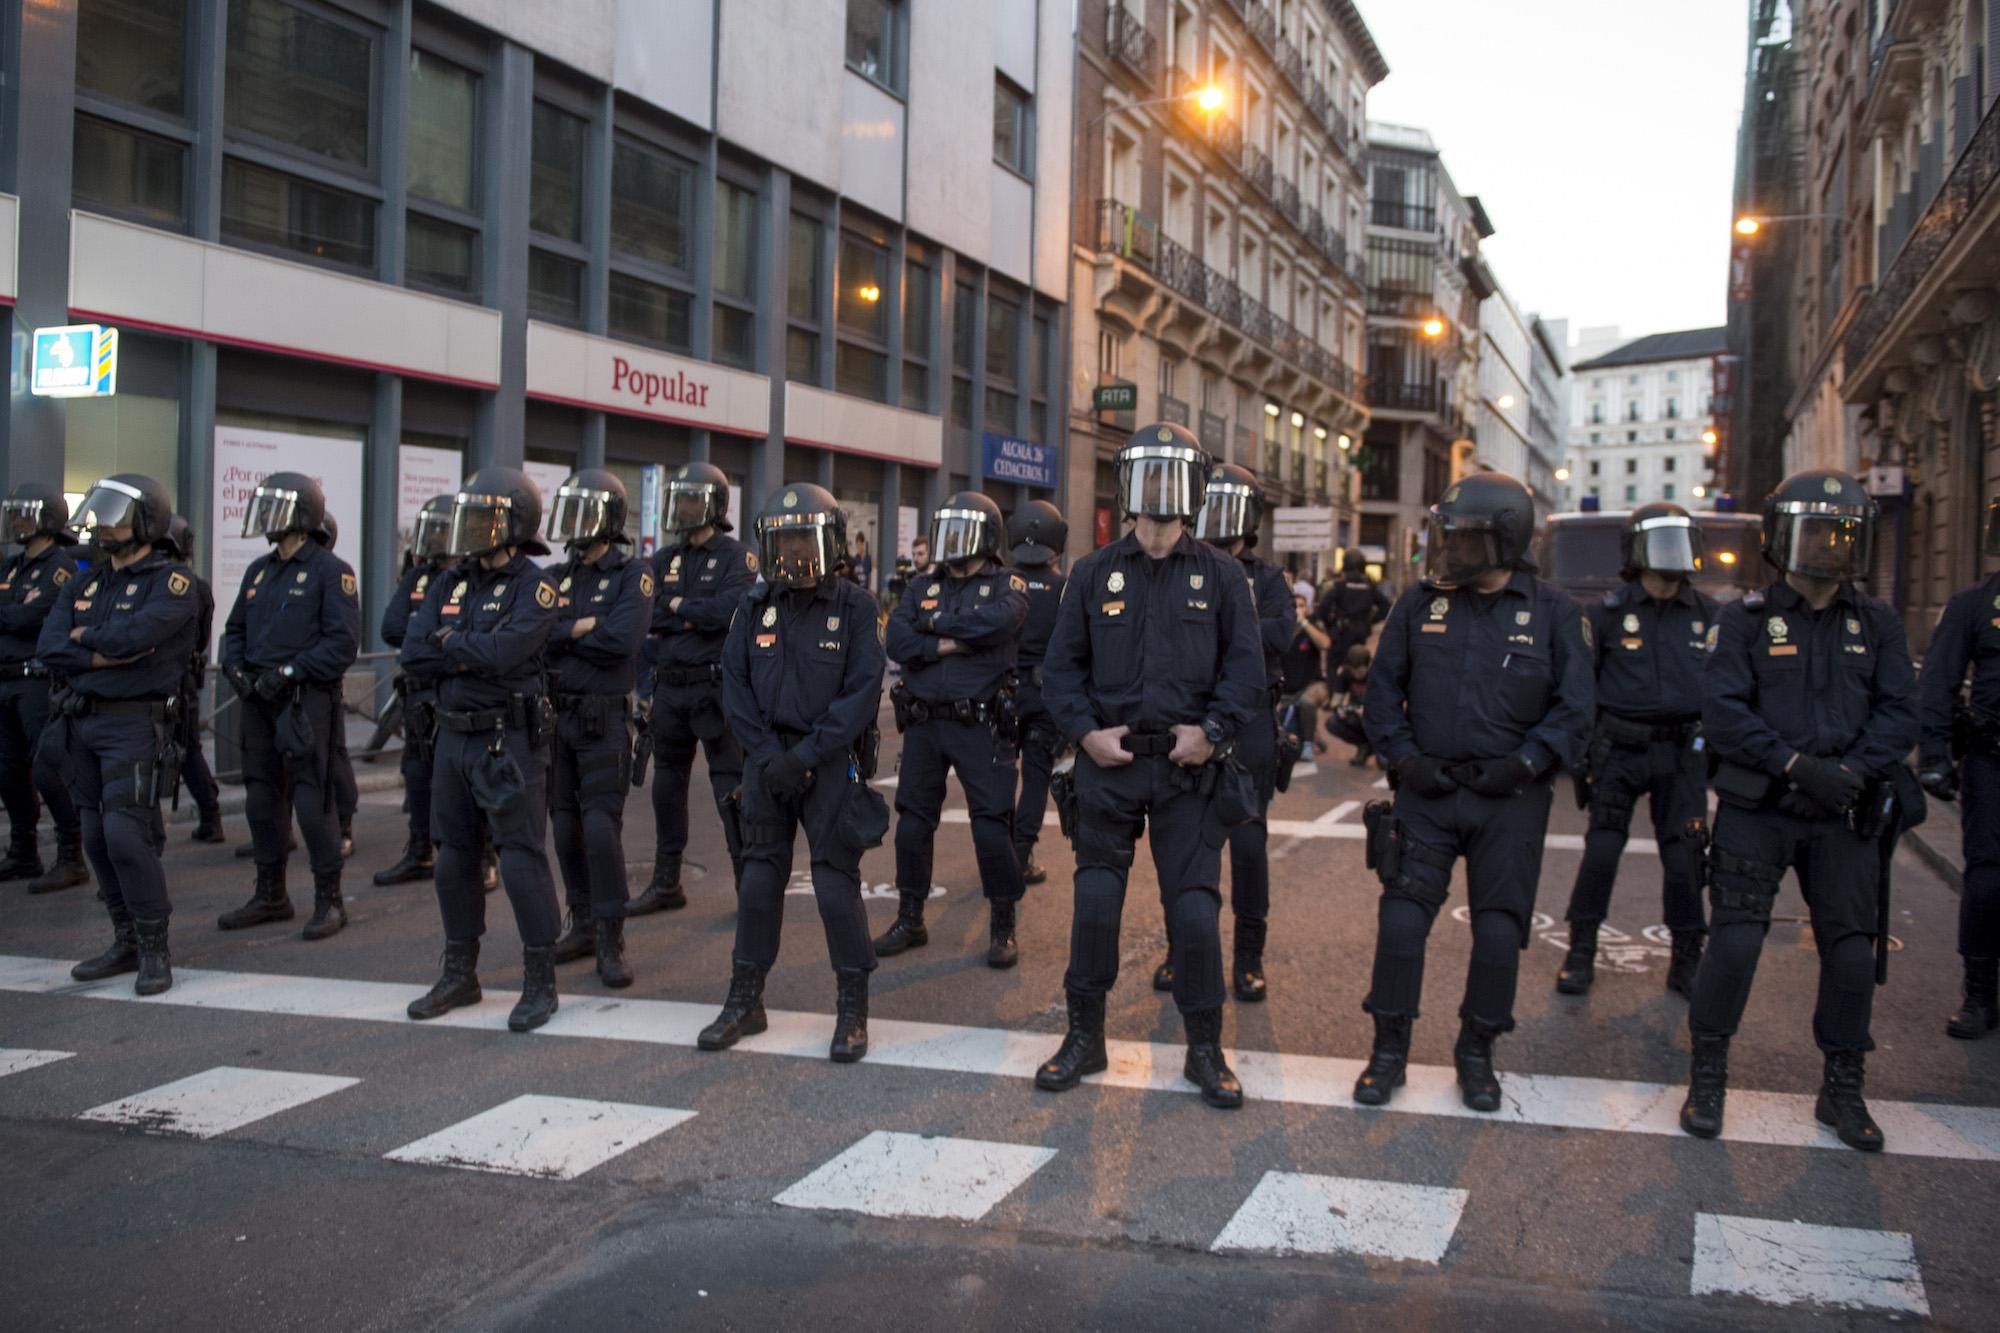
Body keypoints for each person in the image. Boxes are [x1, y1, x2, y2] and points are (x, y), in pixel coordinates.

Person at [1681, 469, 1917, 1152]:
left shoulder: (1877, 623)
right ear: (1785, 538)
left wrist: (1854, 771)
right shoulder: (1745, 621)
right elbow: (1724, 713)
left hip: (1842, 811)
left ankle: (1842, 1086)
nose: (1829, 543)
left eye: (1841, 530)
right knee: (1736, 941)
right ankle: (1709, 1074)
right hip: (1762, 807)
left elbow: (1900, 710)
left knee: (1849, 950)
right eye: (1815, 529)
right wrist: (1795, 765)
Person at [1034, 423, 1265, 1110]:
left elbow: (1246, 671)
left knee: (1194, 914)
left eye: (1173, 475)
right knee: (1096, 906)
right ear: (1126, 486)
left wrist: (1213, 731)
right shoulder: (1092, 572)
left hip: (1190, 771)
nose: (1159, 489)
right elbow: (1060, 670)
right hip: (1111, 764)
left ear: (1193, 489)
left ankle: (1205, 1049)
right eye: (1146, 474)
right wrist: (1084, 734)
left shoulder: (1222, 574)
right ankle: (1084, 1036)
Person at [1356, 472, 1593, 1113]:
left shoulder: (1556, 614)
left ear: (1507, 540)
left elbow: (1575, 711)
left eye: (1465, 540)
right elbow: (1381, 692)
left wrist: (1524, 763)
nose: (1450, 550)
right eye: (1448, 537)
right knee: (1402, 924)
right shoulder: (1417, 603)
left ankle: (1477, 1053)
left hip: (1509, 802)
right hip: (1427, 795)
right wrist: (1404, 759)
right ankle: (1388, 1050)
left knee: (1496, 935)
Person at [698, 483, 886, 1061]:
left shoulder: (855, 608)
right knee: (757, 885)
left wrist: (804, 758)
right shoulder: (754, 605)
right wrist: (765, 756)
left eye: (805, 540)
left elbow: (860, 696)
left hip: (827, 765)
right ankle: (744, 1000)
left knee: (833, 888)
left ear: (829, 542)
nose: (795, 554)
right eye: (784, 542)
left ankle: (852, 1009)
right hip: (766, 766)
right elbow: (733, 683)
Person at [399, 467, 565, 1032]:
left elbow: (508, 652)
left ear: (515, 524)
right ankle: (459, 974)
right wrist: (468, 649)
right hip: (451, 735)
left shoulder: (535, 586)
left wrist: (454, 645)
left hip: (507, 738)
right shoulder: (449, 582)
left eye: (482, 519)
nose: (469, 530)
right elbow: (413, 651)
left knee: (520, 858)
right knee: (452, 859)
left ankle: (540, 982)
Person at [37, 474, 199, 994]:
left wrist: (89, 645)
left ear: (148, 520)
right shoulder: (85, 582)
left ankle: (155, 949)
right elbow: (51, 646)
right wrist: (105, 653)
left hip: (135, 722)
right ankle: (124, 939)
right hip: (83, 721)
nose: (104, 525)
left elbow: (143, 636)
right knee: (92, 837)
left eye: (118, 515)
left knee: (125, 836)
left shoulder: (172, 583)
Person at [1555, 503, 1717, 999]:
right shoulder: (1605, 614)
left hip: (1682, 752)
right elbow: (1582, 687)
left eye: (1681, 541)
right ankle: (1581, 949)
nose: (1674, 553)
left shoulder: (1710, 614)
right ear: (1637, 552)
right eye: (1662, 542)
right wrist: (1583, 753)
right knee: (1602, 850)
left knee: (1685, 859)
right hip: (1619, 748)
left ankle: (1687, 957)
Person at [1161, 463, 1295, 1005]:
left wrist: (1216, 626)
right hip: (1189, 720)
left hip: (1247, 724)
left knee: (1247, 844)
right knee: (1183, 846)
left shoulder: (1265, 579)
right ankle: (1181, 950)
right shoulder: (1177, 564)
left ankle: (1248, 956)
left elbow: (1280, 635)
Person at [877, 492, 1028, 966]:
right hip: (924, 724)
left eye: (963, 532)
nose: (952, 542)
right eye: (947, 530)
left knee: (990, 830)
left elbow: (999, 625)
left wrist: (935, 627)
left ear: (986, 537)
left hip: (979, 725)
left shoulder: (1008, 583)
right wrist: (952, 642)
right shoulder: (923, 583)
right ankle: (910, 917)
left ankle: (1003, 925)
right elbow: (898, 638)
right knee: (912, 827)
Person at [216, 472, 362, 941]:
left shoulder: (330, 571)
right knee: (261, 799)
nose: (266, 520)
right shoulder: (259, 570)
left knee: (310, 802)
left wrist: (291, 672)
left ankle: (329, 900)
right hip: (258, 700)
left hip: (304, 702)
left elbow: (342, 644)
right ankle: (271, 894)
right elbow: (234, 629)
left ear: (303, 516)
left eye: (275, 510)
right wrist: (235, 669)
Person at [633, 462, 758, 915]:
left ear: (714, 506)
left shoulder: (737, 557)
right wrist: (689, 612)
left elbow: (728, 612)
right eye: (679, 498)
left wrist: (678, 609)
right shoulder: (663, 559)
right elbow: (648, 614)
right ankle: (667, 881)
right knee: (666, 786)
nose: (682, 507)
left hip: (714, 689)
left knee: (731, 788)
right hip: (669, 690)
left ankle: (750, 885)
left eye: (691, 499)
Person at [544, 470, 651, 990]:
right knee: (564, 828)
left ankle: (612, 934)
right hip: (557, 717)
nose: (574, 526)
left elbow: (622, 641)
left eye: (584, 513)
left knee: (601, 830)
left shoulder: (633, 575)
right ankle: (581, 922)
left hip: (603, 719)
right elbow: (537, 636)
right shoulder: (555, 574)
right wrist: (580, 626)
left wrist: (569, 632)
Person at [1917, 495, 2000, 1040]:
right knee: (1989, 877)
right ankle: (1979, 992)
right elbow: (1938, 684)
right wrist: (1936, 757)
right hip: (1993, 759)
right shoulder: (1974, 605)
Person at [0, 482, 91, 891]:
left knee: (46, 771)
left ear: (48, 521)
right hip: (6, 681)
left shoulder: (62, 567)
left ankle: (71, 855)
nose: (17, 521)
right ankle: (23, 852)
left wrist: (12, 612)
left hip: (36, 683)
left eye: (26, 514)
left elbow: (26, 618)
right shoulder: (12, 566)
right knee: (7, 772)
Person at [375, 495, 455, 885]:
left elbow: (471, 638)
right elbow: (391, 628)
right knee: (418, 775)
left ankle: (484, 856)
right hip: (416, 694)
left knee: (461, 781)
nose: (436, 538)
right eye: (432, 530)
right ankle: (420, 848)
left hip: (450, 692)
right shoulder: (417, 577)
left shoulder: (465, 577)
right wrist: (432, 636)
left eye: (443, 529)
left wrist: (426, 638)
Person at [1008, 500, 1069, 889]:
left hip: (1001, 693)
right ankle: (1020, 852)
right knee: (1035, 779)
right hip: (1044, 696)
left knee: (997, 778)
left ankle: (998, 852)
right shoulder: (1063, 589)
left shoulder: (1000, 583)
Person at [154, 515, 224, 844]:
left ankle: (208, 815)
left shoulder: (173, 585)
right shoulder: (197, 586)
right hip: (181, 683)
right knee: (187, 751)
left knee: (181, 751)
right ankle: (210, 814)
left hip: (171, 683)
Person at [310, 513, 360, 859]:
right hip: (275, 688)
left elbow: (342, 639)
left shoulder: (334, 573)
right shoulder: (270, 571)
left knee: (331, 757)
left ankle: (342, 824)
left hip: (317, 684)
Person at [1315, 550, 1392, 669]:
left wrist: (1330, 625)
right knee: (1358, 665)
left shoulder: (1339, 586)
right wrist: (1369, 622)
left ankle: (1336, 687)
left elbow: (1322, 609)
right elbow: (1385, 606)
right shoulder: (1369, 586)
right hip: (1360, 632)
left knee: (1333, 665)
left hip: (1342, 632)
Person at [1279, 594, 1330, 697]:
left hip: (1307, 689)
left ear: (1307, 609)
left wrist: (1303, 622)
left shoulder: (1312, 626)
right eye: (1294, 606)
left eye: (1301, 606)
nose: (1297, 609)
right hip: (1284, 689)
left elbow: (1325, 644)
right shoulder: (1280, 628)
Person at [1332, 645, 1374, 767]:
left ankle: (1380, 748)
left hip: (1377, 717)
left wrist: (1371, 709)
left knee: (1384, 764)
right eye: (1353, 671)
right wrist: (1338, 709)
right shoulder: (1346, 673)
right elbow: (1335, 700)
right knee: (1333, 723)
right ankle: (1363, 746)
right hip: (1356, 713)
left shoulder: (1377, 674)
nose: (1356, 675)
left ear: (1368, 665)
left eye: (1360, 671)